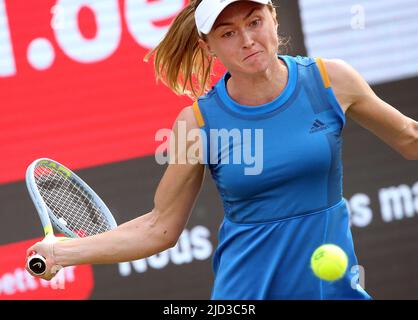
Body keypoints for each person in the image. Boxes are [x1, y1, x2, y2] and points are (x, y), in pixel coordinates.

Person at [26, 0, 418, 299]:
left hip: (334, 288)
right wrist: (62, 253)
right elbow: (158, 227)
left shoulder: (333, 81)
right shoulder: (195, 124)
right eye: (228, 33)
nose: (247, 40)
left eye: (254, 22)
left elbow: (409, 138)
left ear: (273, 17)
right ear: (208, 45)